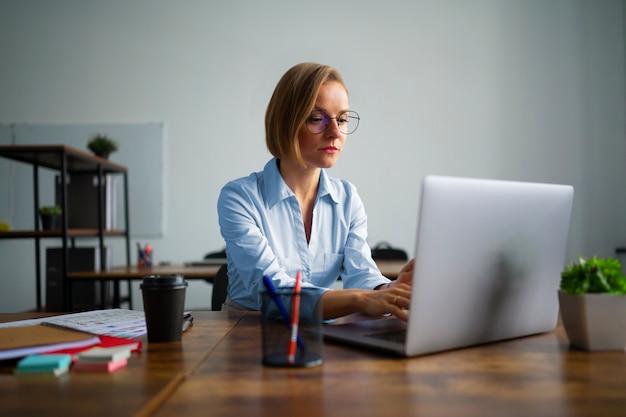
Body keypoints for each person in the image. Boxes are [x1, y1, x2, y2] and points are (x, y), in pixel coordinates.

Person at [217, 62, 413, 320]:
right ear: (287, 123)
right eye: (317, 119)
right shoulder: (240, 197)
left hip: (320, 337)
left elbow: (361, 272)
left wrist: (390, 290)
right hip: (250, 335)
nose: (335, 133)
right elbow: (271, 292)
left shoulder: (347, 198)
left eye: (342, 119)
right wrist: (364, 299)